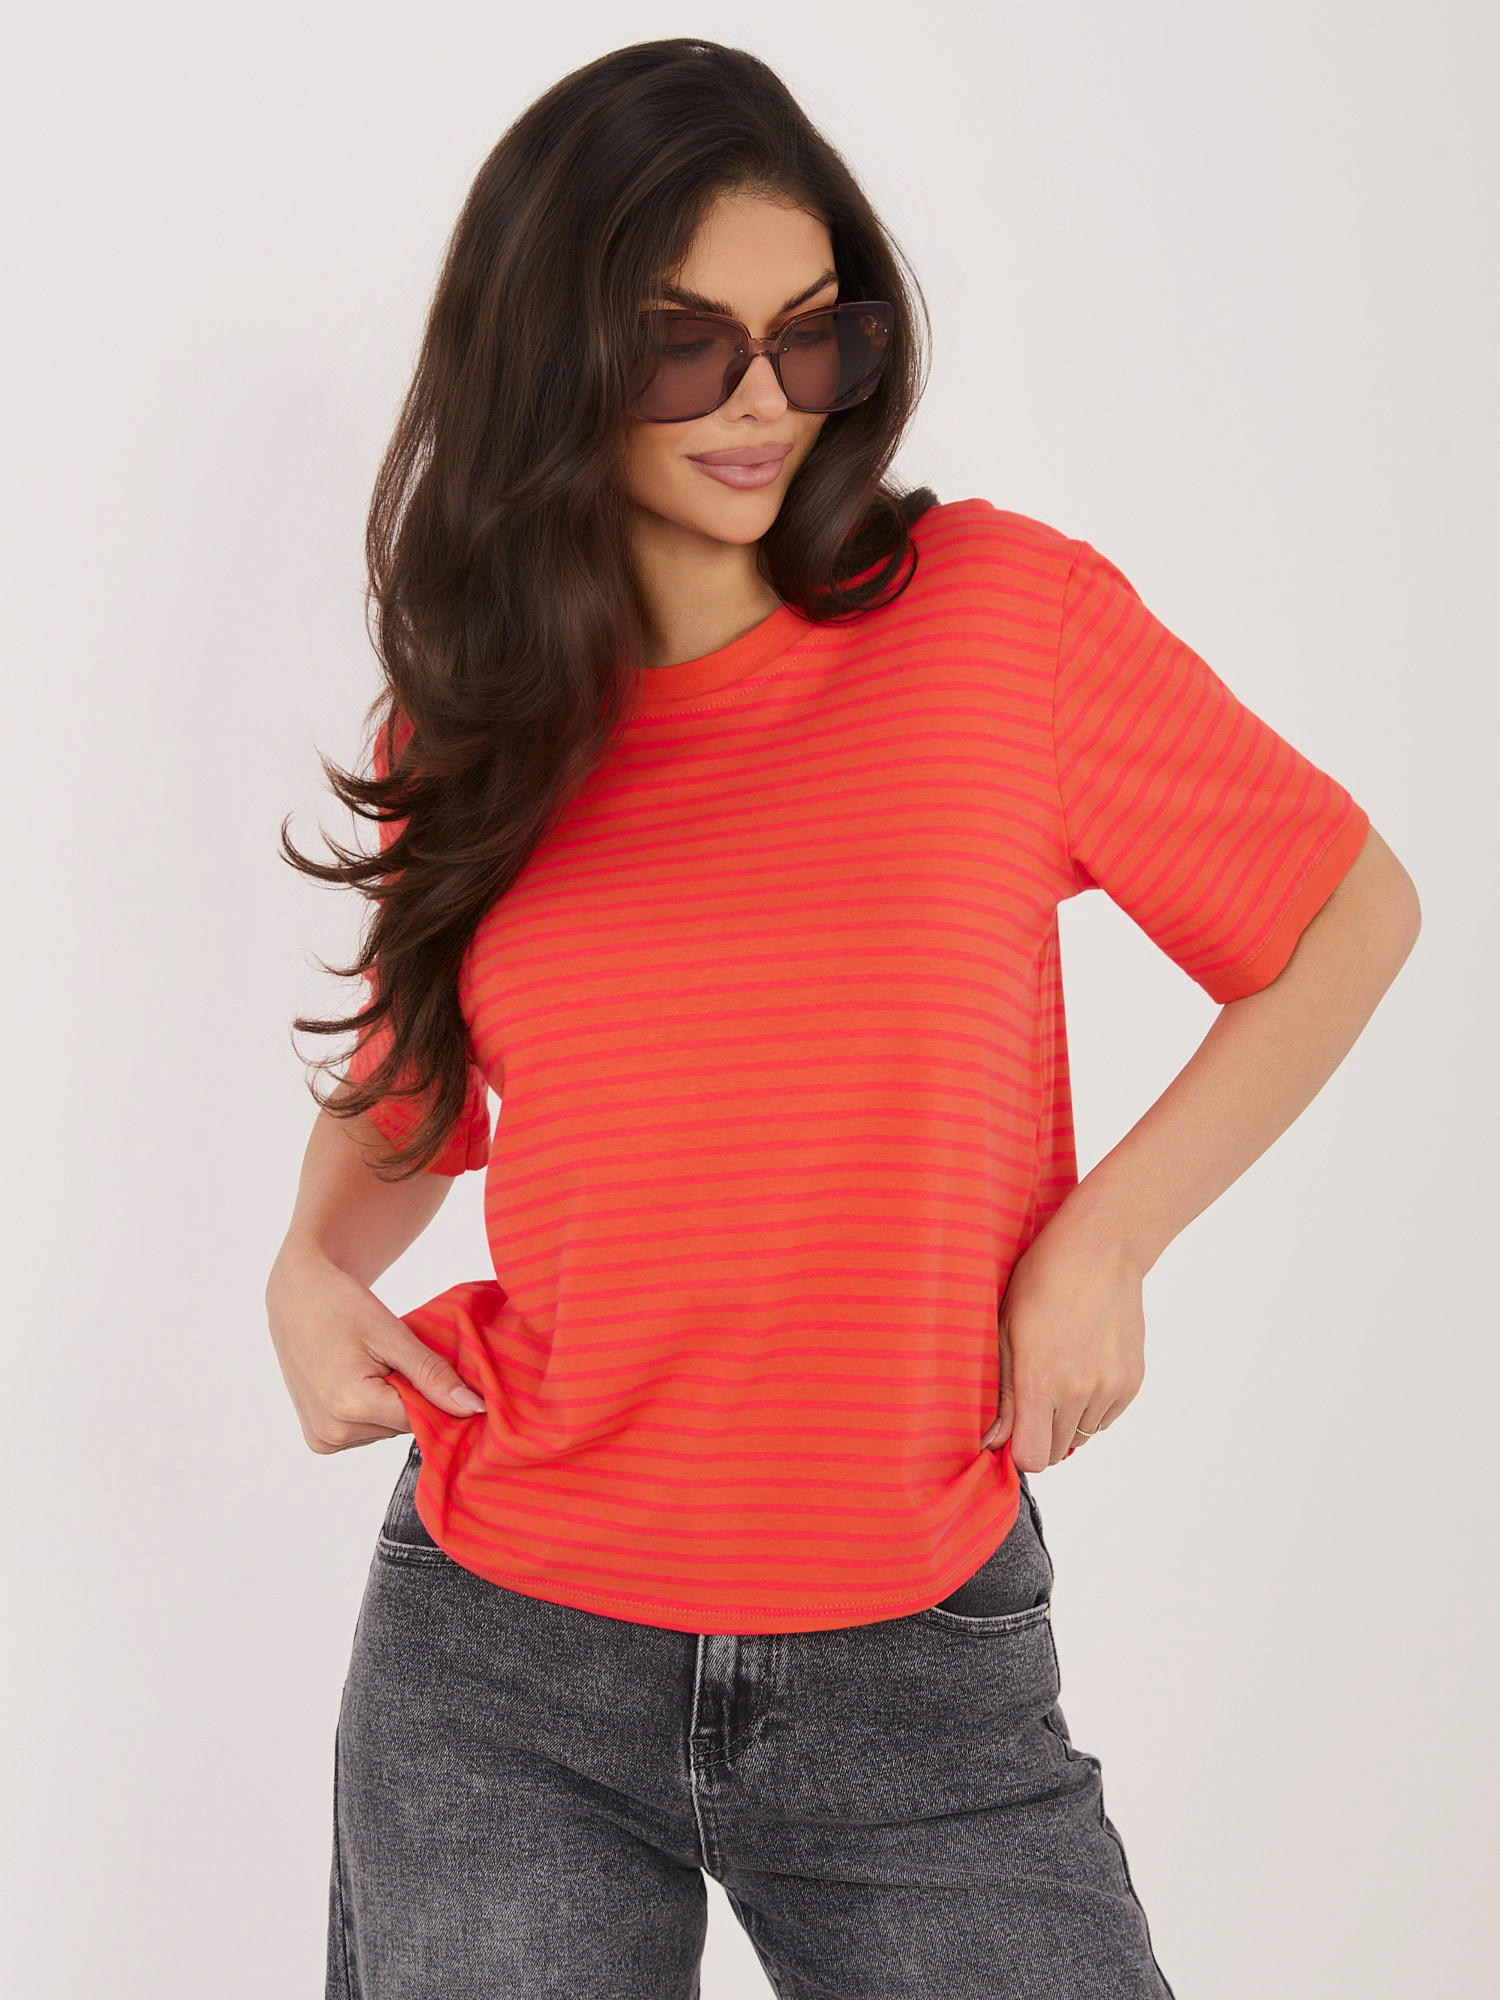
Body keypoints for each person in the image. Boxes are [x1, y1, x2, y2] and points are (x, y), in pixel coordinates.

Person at [265, 37, 1421, 2000]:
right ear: (547, 355)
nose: (763, 401)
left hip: (916, 1655)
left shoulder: (1002, 619)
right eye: (684, 344)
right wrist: (308, 1266)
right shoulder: (470, 728)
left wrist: (1105, 1241)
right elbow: (407, 1107)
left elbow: (1342, 914)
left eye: (814, 336)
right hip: (505, 1659)